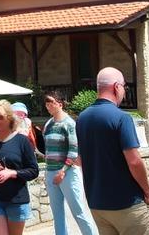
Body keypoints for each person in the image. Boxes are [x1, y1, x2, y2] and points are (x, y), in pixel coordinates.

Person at [77, 66, 149, 235]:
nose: (124, 92)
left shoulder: (82, 118)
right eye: (124, 87)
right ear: (116, 87)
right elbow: (134, 161)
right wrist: (147, 191)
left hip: (97, 203)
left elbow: (80, 159)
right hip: (126, 202)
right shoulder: (122, 118)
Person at [0, 99, 39, 235]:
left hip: (16, 200)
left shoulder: (22, 141)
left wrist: (12, 173)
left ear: (9, 118)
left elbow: (34, 170)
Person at [42, 91, 97, 235]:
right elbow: (47, 150)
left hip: (67, 173)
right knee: (58, 214)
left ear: (59, 104)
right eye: (46, 103)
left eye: (51, 103)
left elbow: (73, 151)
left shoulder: (69, 124)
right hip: (51, 172)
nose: (48, 106)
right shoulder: (48, 124)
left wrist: (63, 171)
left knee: (78, 211)